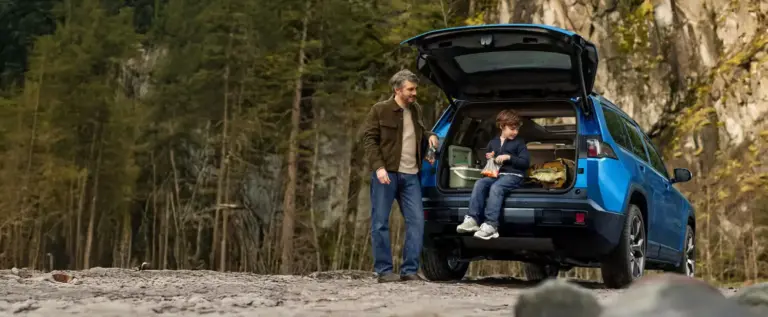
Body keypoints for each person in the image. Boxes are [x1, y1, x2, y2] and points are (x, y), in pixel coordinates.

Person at [362, 69, 439, 283]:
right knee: (380, 222)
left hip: (411, 175)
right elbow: (369, 140)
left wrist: (431, 136)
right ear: (397, 90)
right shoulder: (380, 110)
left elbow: (419, 132)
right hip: (386, 174)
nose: (415, 93)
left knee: (417, 222)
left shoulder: (415, 110)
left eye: (415, 89)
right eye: (410, 89)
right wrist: (379, 167)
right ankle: (384, 271)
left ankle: (409, 270)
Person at [456, 109, 530, 240]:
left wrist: (509, 157)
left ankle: (491, 225)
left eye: (517, 129)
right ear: (502, 126)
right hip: (497, 175)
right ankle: (472, 219)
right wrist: (490, 158)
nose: (515, 132)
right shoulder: (493, 142)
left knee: (497, 187)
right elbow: (491, 163)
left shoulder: (519, 143)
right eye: (512, 129)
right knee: (480, 183)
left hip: (514, 176)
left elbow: (525, 163)